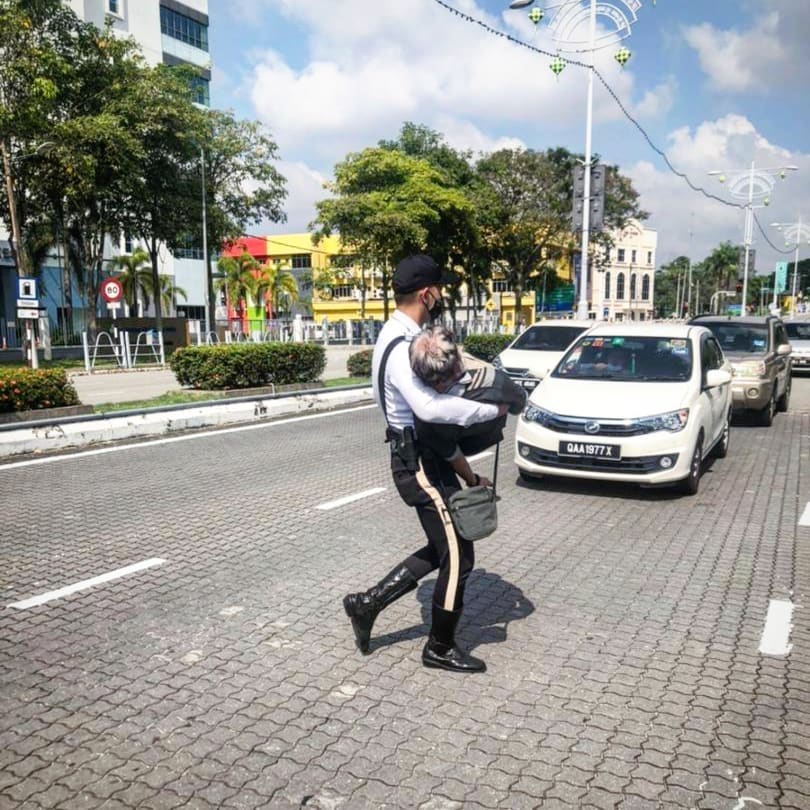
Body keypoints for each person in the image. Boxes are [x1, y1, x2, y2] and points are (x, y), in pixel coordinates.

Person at [343, 254, 509, 673]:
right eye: (438, 289)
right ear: (426, 293)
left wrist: (469, 475)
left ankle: (368, 603)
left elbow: (434, 428)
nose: (441, 295)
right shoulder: (402, 347)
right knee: (460, 555)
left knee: (444, 546)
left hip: (427, 455)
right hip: (416, 461)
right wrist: (490, 412)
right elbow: (429, 409)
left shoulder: (403, 336)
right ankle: (439, 647)